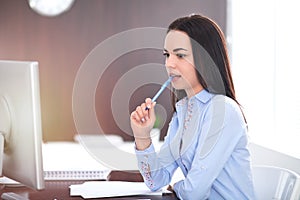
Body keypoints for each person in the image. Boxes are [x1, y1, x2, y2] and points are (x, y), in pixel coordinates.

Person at [130, 14, 256, 199]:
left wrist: (176, 186)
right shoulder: (183, 112)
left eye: (180, 55)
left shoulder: (223, 111)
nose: (169, 63)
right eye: (167, 54)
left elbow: (194, 193)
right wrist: (142, 138)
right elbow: (155, 181)